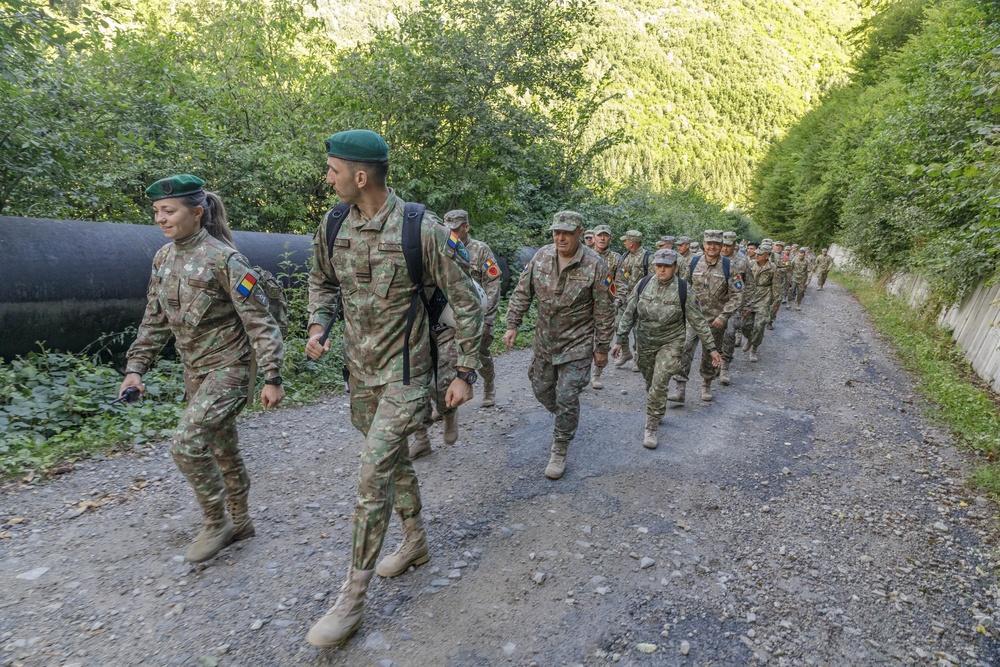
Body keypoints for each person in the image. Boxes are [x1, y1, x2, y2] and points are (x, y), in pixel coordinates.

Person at [304, 130, 483, 648]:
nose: (328, 179)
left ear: (360, 176)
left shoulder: (422, 230)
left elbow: (467, 301)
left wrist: (464, 373)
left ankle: (352, 598)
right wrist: (319, 326)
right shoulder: (334, 222)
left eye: (333, 170)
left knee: (372, 472)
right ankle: (415, 542)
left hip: (406, 377)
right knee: (392, 460)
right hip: (359, 375)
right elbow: (322, 281)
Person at [120, 174, 285, 564]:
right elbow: (155, 320)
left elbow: (260, 321)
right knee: (222, 448)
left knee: (186, 444)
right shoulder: (163, 259)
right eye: (157, 212)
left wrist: (272, 375)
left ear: (197, 212)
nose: (161, 218)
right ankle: (241, 522)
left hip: (230, 367)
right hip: (195, 370)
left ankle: (216, 522)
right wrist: (135, 369)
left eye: (169, 211)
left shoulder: (225, 259)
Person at [504, 211, 615, 479]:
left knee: (567, 395)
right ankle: (565, 413)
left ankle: (560, 446)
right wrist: (512, 324)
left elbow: (604, 310)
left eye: (566, 232)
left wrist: (601, 348)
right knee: (541, 389)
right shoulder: (541, 256)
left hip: (577, 343)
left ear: (580, 232)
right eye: (556, 232)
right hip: (544, 341)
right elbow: (522, 291)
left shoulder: (595, 265)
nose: (560, 237)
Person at [613, 249, 720, 449]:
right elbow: (629, 313)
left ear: (674, 267)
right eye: (658, 265)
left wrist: (711, 347)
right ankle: (657, 405)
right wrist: (619, 339)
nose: (662, 269)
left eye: (666, 266)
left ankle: (651, 425)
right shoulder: (643, 284)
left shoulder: (683, 289)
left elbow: (698, 320)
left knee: (660, 381)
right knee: (650, 379)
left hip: (671, 341)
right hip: (645, 341)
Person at [670, 229, 742, 403]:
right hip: (693, 318)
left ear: (721, 245)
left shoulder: (729, 266)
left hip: (715, 321)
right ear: (704, 244)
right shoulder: (694, 262)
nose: (712, 247)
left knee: (710, 354)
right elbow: (683, 287)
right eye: (709, 243)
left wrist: (724, 316)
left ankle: (706, 385)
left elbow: (738, 295)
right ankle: (680, 389)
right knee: (684, 349)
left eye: (716, 244)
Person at [445, 210, 502, 406]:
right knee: (447, 356)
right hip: (451, 313)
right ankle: (447, 401)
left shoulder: (480, 250)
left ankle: (489, 385)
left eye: (455, 229)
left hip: (477, 313)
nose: (451, 233)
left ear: (466, 227)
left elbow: (493, 283)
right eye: (448, 229)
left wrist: (488, 318)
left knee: (481, 353)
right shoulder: (444, 248)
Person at [719, 231, 756, 385]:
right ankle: (713, 363)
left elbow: (750, 284)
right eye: (723, 245)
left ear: (734, 245)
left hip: (734, 304)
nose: (725, 248)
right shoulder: (714, 258)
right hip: (715, 304)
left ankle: (725, 367)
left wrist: (747, 304)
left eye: (728, 245)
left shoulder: (743, 261)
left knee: (729, 333)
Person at [613, 229, 651, 371]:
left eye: (626, 241)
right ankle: (626, 352)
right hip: (625, 297)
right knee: (618, 324)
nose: (624, 243)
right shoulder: (625, 256)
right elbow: (621, 275)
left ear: (632, 242)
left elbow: (653, 280)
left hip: (641, 298)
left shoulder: (648, 257)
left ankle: (637, 357)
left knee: (638, 330)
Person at [591, 224, 622, 389]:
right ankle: (580, 373)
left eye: (606, 236)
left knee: (602, 340)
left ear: (610, 238)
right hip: (587, 305)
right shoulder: (585, 256)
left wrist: (617, 302)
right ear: (594, 238)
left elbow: (622, 283)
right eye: (599, 235)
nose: (602, 238)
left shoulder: (616, 259)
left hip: (607, 306)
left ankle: (596, 375)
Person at [740, 243, 782, 362]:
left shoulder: (772, 267)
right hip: (750, 298)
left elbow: (776, 286)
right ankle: (749, 338)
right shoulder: (751, 264)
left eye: (760, 254)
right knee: (745, 325)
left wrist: (775, 303)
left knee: (759, 326)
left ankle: (754, 349)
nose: (757, 255)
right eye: (756, 253)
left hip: (764, 299)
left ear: (767, 256)